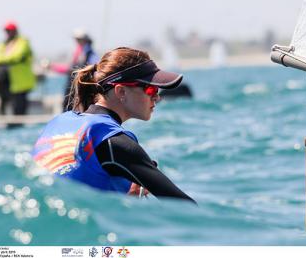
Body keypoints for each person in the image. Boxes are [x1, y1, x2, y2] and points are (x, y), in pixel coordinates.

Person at [32, 47, 196, 203]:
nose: (157, 97)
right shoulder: (115, 143)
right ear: (121, 92)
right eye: (151, 90)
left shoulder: (59, 122)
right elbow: (185, 206)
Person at [0, 21, 36, 115]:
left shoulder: (22, 42)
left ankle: (17, 127)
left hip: (21, 82)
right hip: (7, 83)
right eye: (7, 31)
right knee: (5, 105)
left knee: (19, 109)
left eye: (10, 30)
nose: (8, 33)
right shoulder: (4, 44)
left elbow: (15, 57)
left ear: (15, 31)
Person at [49, 29, 99, 111]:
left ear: (86, 40)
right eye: (76, 39)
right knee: (67, 106)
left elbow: (95, 66)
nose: (78, 41)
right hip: (72, 86)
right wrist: (52, 67)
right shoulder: (76, 52)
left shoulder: (89, 53)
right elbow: (69, 68)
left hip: (82, 87)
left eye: (80, 39)